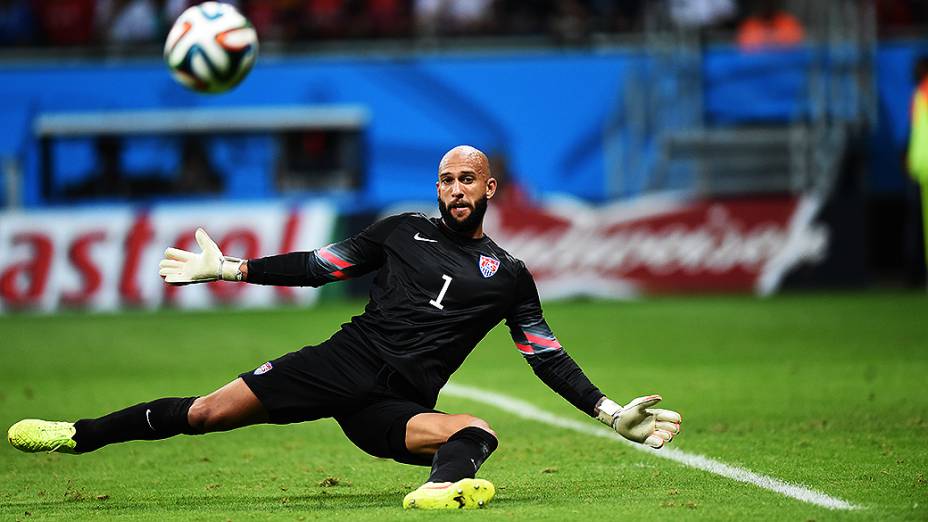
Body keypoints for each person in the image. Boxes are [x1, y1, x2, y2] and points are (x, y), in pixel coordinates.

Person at [7, 145, 682, 510]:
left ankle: (440, 490)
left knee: (477, 430)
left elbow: (544, 354)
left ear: (488, 190)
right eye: (446, 177)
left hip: (395, 403)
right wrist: (231, 269)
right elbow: (317, 267)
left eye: (467, 179)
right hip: (342, 362)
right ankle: (79, 435)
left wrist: (607, 408)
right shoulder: (398, 231)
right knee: (209, 413)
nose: (454, 188)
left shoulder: (509, 273)